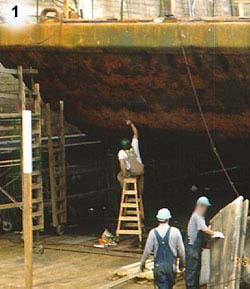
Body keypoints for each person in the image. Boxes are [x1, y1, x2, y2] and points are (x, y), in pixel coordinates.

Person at [140, 208, 185, 289]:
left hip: (159, 267)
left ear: (158, 219)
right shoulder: (175, 231)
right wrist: (182, 263)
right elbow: (181, 250)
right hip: (171, 266)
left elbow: (147, 250)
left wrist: (142, 263)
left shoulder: (153, 233)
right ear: (168, 218)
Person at [185, 196, 224, 289]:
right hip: (192, 248)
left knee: (196, 271)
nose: (206, 209)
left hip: (195, 248)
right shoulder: (197, 215)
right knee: (192, 271)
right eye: (205, 207)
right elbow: (204, 229)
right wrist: (214, 233)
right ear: (201, 206)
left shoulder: (198, 216)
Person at [117, 120, 144, 194]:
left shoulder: (121, 153)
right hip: (141, 170)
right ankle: (140, 192)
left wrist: (125, 175)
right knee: (140, 177)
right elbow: (135, 133)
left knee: (119, 176)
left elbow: (122, 164)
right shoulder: (134, 146)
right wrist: (132, 124)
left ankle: (127, 192)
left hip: (133, 172)